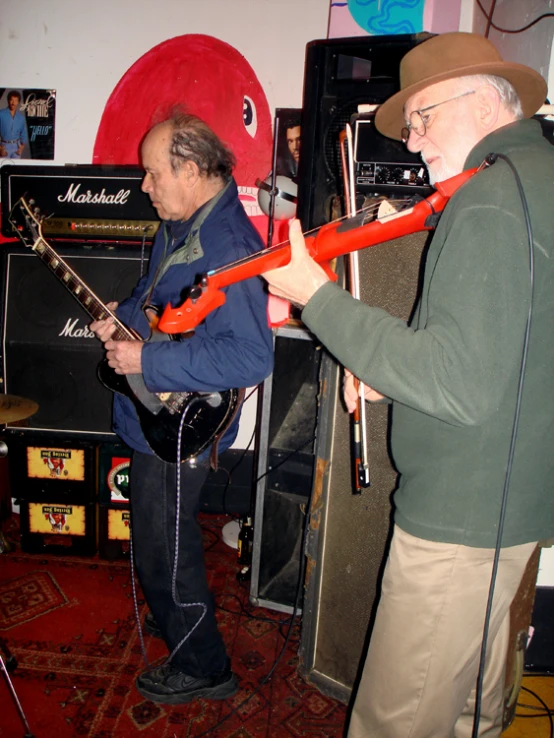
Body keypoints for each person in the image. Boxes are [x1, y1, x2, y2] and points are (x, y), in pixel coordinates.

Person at [262, 32, 553, 737]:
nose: (414, 141)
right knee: (469, 715)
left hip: (459, 522)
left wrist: (316, 296)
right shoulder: (539, 179)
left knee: (396, 723)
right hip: (513, 510)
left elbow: (459, 384)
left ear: (484, 98)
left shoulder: (487, 200)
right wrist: (395, 379)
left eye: (423, 116)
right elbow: (509, 351)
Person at [91, 113, 273, 705]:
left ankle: (204, 667)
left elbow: (251, 356)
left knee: (166, 555)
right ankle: (191, 642)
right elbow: (159, 299)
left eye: (152, 173)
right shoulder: (181, 223)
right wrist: (122, 314)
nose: (144, 185)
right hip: (160, 416)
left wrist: (148, 363)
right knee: (157, 545)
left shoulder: (228, 246)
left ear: (191, 171)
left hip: (184, 423)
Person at [0, 91, 28, 158]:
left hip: (17, 147)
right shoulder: (1, 114)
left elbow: (23, 133)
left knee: (16, 168)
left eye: (15, 100)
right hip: (4, 146)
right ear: (8, 101)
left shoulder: (21, 117)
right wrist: (0, 148)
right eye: (11, 100)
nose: (13, 103)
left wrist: (22, 147)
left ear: (18, 102)